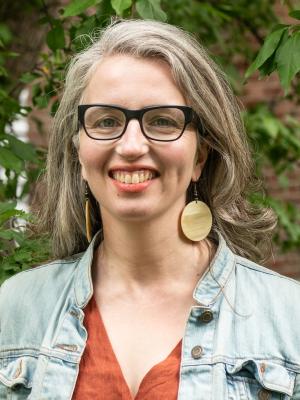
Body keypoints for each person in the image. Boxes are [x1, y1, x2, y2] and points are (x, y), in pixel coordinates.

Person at [0, 18, 300, 400]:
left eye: (161, 121)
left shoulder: (290, 318)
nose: (130, 146)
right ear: (78, 153)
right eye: (106, 121)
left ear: (200, 156)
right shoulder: (17, 309)